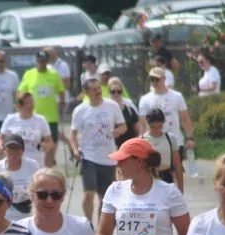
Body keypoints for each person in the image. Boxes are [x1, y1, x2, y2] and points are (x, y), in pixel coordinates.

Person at [69, 77, 126, 225]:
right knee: (88, 193)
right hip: (88, 157)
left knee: (105, 197)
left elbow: (123, 127)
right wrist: (75, 150)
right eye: (94, 89)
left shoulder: (112, 106)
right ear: (86, 92)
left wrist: (115, 133)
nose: (98, 91)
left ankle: (102, 226)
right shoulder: (80, 110)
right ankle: (88, 224)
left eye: (99, 88)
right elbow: (73, 135)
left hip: (108, 158)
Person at [137, 67, 195, 175]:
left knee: (173, 173)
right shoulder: (145, 99)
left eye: (157, 79)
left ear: (164, 78)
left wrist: (190, 137)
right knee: (154, 174)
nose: (154, 82)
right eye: (152, 79)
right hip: (154, 142)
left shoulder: (176, 96)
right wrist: (140, 140)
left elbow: (185, 118)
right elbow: (142, 123)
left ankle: (176, 191)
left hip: (175, 141)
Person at [16, 50, 66, 167]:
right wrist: (20, 107)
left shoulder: (54, 74)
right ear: (36, 61)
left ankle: (48, 168)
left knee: (50, 144)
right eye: (39, 61)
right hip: (34, 115)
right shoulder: (29, 74)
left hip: (50, 116)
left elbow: (61, 91)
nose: (41, 64)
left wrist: (62, 103)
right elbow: (20, 92)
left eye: (44, 61)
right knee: (34, 143)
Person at [0, 134, 39, 223]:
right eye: (10, 149)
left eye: (16, 149)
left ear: (22, 151)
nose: (13, 152)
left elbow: (39, 187)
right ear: (4, 150)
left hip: (27, 213)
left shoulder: (32, 165)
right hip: (4, 214)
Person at [0, 92, 53, 160]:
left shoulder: (41, 120)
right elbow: (0, 139)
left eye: (32, 102)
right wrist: (4, 149)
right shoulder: (10, 119)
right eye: (27, 103)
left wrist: (44, 146)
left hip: (35, 161)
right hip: (14, 160)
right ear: (19, 106)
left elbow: (49, 142)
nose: (30, 105)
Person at [142, 108, 183, 190]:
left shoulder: (170, 138)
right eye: (153, 127)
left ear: (163, 123)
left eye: (160, 126)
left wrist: (180, 188)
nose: (157, 130)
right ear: (148, 124)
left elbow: (178, 165)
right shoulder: (142, 140)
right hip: (149, 177)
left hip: (166, 176)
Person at [107, 77, 141, 149]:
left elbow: (138, 130)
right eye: (113, 91)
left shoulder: (129, 108)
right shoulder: (104, 110)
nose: (116, 94)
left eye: (119, 91)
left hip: (129, 148)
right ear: (109, 92)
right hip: (110, 149)